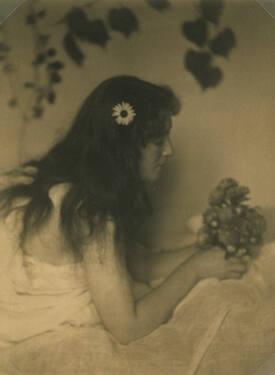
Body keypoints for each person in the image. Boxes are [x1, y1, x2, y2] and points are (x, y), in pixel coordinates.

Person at [0, 75, 249, 355]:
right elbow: (128, 329)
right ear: (124, 148)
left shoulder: (87, 184)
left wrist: (210, 244)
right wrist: (196, 269)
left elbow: (140, 265)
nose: (170, 150)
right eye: (157, 141)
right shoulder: (88, 208)